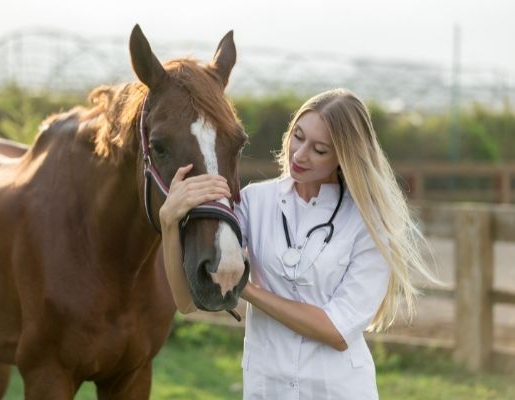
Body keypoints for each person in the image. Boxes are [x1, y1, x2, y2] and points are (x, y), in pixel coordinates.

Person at [159, 88, 435, 399]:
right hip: (267, 388)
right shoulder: (254, 202)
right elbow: (186, 302)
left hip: (336, 391)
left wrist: (245, 288)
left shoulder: (370, 225)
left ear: (343, 158)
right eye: (298, 136)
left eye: (319, 149)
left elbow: (336, 330)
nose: (300, 155)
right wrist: (169, 223)